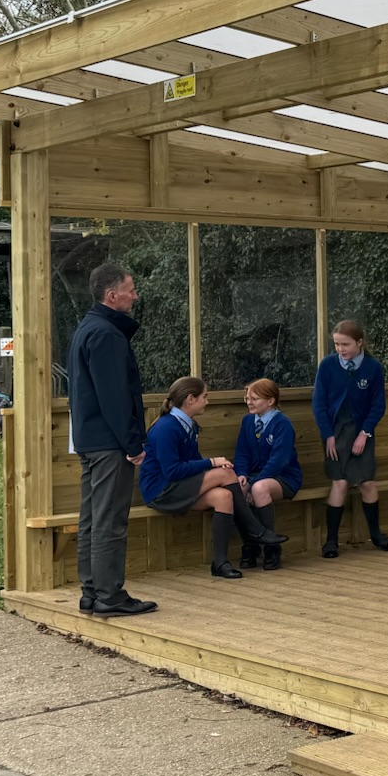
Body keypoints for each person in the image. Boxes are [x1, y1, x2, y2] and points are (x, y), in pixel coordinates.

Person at [67, 263, 155, 617]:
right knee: (110, 520)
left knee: (92, 517)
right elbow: (115, 396)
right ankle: (109, 595)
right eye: (130, 289)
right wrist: (133, 444)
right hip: (110, 443)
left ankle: (91, 590)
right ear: (111, 295)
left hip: (90, 438)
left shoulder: (87, 328)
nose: (135, 296)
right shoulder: (106, 334)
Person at [139, 376, 286, 580]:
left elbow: (191, 463)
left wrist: (210, 468)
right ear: (191, 399)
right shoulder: (166, 427)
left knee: (224, 497)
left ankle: (220, 562)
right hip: (161, 490)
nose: (207, 402)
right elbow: (172, 470)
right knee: (225, 472)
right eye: (204, 397)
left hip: (178, 486)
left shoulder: (188, 425)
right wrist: (211, 463)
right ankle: (255, 530)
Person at [313, 319, 388, 558]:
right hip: (335, 432)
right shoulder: (327, 366)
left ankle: (376, 534)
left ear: (359, 342)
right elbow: (318, 404)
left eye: (345, 344)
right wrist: (327, 435)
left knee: (368, 482)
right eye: (337, 344)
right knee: (339, 482)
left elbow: (378, 405)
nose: (340, 349)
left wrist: (365, 433)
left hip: (362, 432)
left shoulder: (373, 368)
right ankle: (331, 541)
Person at [233, 377, 302, 571]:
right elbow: (242, 453)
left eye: (254, 399)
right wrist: (242, 474)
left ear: (270, 401)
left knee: (259, 488)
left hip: (284, 477)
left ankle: (271, 548)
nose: (249, 402)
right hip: (255, 474)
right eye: (247, 398)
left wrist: (255, 480)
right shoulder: (247, 421)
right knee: (237, 487)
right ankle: (250, 545)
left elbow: (279, 461)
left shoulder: (282, 424)